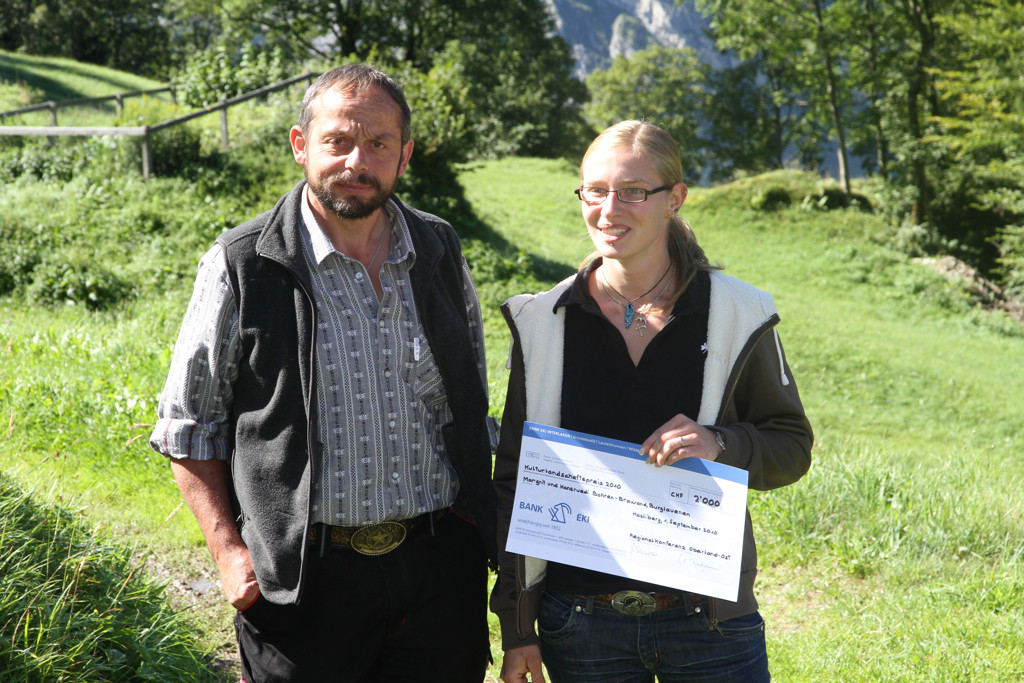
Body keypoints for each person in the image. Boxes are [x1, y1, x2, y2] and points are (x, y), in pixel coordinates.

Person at [150, 64, 497, 682]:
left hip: (439, 571)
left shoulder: (439, 249)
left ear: (404, 155)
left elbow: (471, 400)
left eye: (379, 144)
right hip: (304, 581)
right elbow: (188, 426)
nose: (356, 162)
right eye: (337, 141)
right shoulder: (243, 264)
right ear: (301, 144)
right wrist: (230, 555)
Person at [490, 120, 813, 683]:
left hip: (709, 623)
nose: (609, 209)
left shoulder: (738, 314)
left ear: (675, 199)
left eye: (633, 191)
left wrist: (720, 443)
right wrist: (518, 627)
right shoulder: (542, 320)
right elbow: (515, 479)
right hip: (579, 624)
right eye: (595, 191)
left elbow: (791, 447)